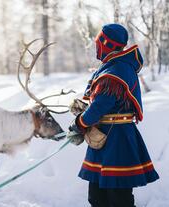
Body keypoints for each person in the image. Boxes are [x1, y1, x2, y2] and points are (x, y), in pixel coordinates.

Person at [68, 24, 159, 207]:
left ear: (106, 44)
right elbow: (105, 103)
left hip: (117, 140)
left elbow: (102, 104)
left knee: (118, 198)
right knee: (97, 197)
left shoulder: (116, 71)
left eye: (98, 44)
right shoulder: (114, 67)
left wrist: (80, 122)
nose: (96, 48)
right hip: (107, 136)